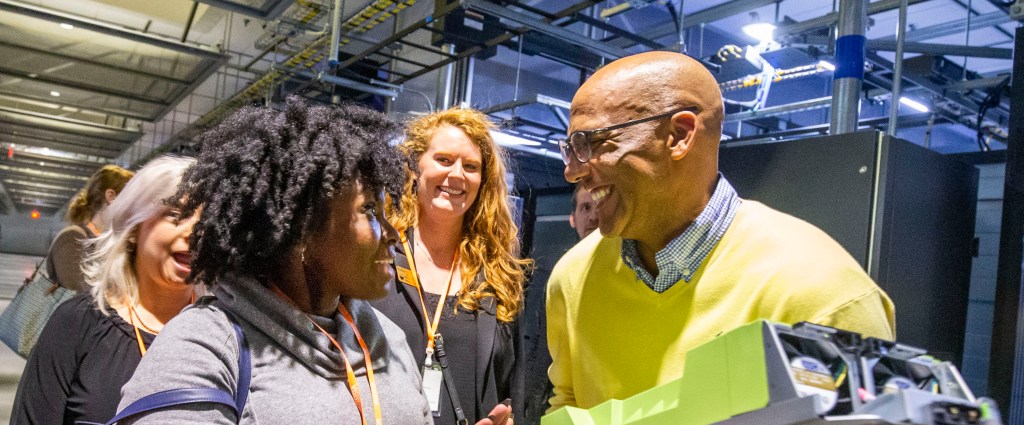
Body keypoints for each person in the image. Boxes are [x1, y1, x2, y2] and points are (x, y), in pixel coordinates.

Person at [115, 98, 513, 425]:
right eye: (370, 211)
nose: (391, 234)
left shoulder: (387, 339)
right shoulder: (206, 346)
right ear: (304, 230)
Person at [545, 51, 896, 412]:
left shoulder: (822, 293)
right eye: (570, 149)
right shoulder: (573, 278)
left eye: (591, 143)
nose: (572, 172)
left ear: (679, 135)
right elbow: (569, 402)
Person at [372, 108, 531, 425]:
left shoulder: (497, 276)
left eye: (470, 166)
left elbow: (512, 387)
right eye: (443, 160)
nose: (457, 174)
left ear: (482, 182)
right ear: (416, 166)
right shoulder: (377, 256)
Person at [12, 156, 198, 424]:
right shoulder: (76, 324)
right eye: (176, 216)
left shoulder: (226, 334)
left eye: (208, 223)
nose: (195, 232)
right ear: (133, 227)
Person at [47, 164, 134, 291]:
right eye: (132, 200)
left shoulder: (112, 244)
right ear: (111, 196)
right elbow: (79, 295)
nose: (135, 209)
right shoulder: (73, 238)